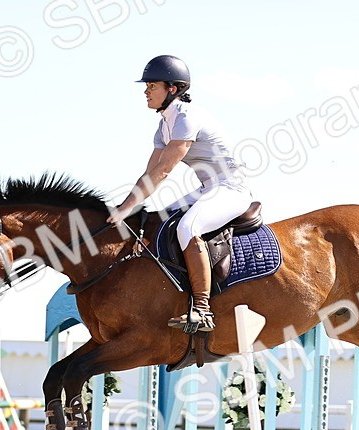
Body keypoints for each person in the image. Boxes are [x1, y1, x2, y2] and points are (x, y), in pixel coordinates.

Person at [106, 55, 253, 332]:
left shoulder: (186, 117)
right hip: (208, 188)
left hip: (231, 188)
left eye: (152, 85)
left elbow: (163, 172)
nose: (146, 91)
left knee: (188, 227)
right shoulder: (165, 124)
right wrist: (125, 207)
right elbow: (149, 174)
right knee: (157, 222)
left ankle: (202, 309)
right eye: (146, 86)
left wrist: (125, 209)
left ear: (172, 89)